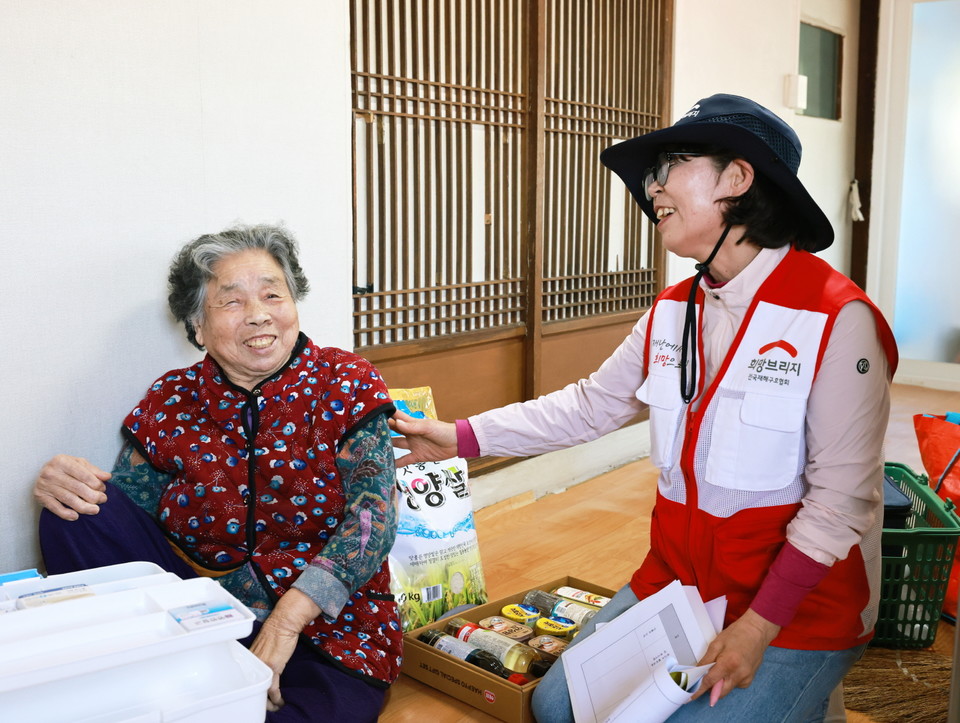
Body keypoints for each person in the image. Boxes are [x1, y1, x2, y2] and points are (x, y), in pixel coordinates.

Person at [390, 94, 899, 722]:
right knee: (558, 706)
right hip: (679, 583)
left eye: (672, 164)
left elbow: (841, 501)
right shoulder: (672, 310)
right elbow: (590, 407)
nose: (651, 187)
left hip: (797, 609)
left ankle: (808, 693)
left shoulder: (837, 319)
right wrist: (460, 437)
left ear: (738, 180)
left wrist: (758, 627)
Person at [34, 224, 401, 722]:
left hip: (326, 625)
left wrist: (286, 623)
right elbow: (127, 505)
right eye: (231, 302)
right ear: (198, 328)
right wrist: (66, 480)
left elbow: (372, 519)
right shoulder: (172, 397)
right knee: (76, 512)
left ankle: (175, 685)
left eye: (274, 294)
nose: (258, 314)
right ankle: (163, 665)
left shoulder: (345, 380)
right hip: (197, 607)